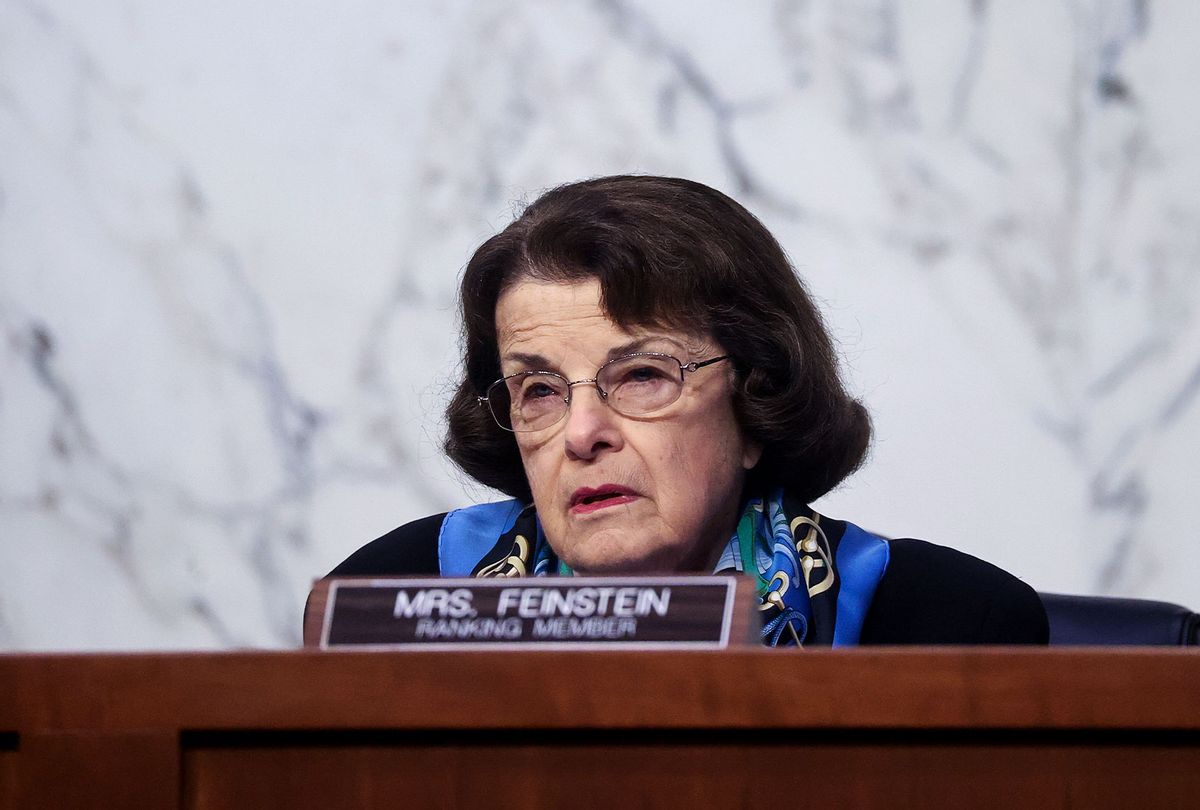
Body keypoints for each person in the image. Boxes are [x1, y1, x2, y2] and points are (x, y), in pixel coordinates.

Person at [326, 175, 1048, 646]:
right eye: (540, 390)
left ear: (754, 399)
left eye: (640, 376)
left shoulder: (944, 624)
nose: (581, 435)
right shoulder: (398, 593)